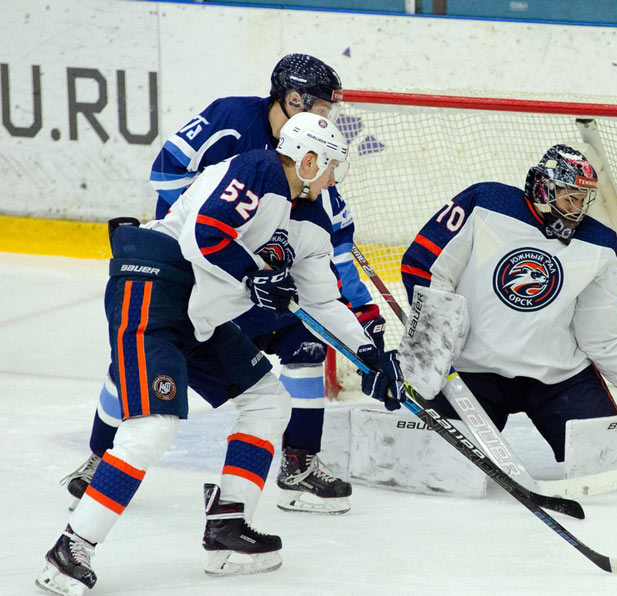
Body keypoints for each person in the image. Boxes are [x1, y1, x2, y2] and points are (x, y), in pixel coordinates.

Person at [37, 112, 404, 595]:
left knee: (268, 401)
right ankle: (70, 550)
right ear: (309, 159)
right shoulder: (258, 169)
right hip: (155, 285)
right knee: (153, 428)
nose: (336, 177)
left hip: (200, 316)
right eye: (332, 165)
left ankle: (228, 525)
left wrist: (369, 355)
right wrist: (254, 274)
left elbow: (322, 301)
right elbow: (205, 234)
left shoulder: (312, 218)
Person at [60, 53, 383, 515]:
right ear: (292, 99)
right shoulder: (232, 119)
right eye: (319, 110)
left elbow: (326, 256)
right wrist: (223, 224)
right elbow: (168, 175)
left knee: (305, 340)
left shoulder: (310, 171)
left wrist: (363, 332)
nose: (325, 120)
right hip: (195, 270)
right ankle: (99, 458)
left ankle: (300, 462)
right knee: (140, 361)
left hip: (251, 281)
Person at [399, 144, 617, 463]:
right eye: (569, 196)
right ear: (542, 188)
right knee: (440, 462)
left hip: (558, 378)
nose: (577, 208)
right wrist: (433, 347)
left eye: (582, 199)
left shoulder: (600, 245)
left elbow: (606, 334)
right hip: (472, 372)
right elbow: (424, 265)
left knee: (609, 461)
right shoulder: (485, 203)